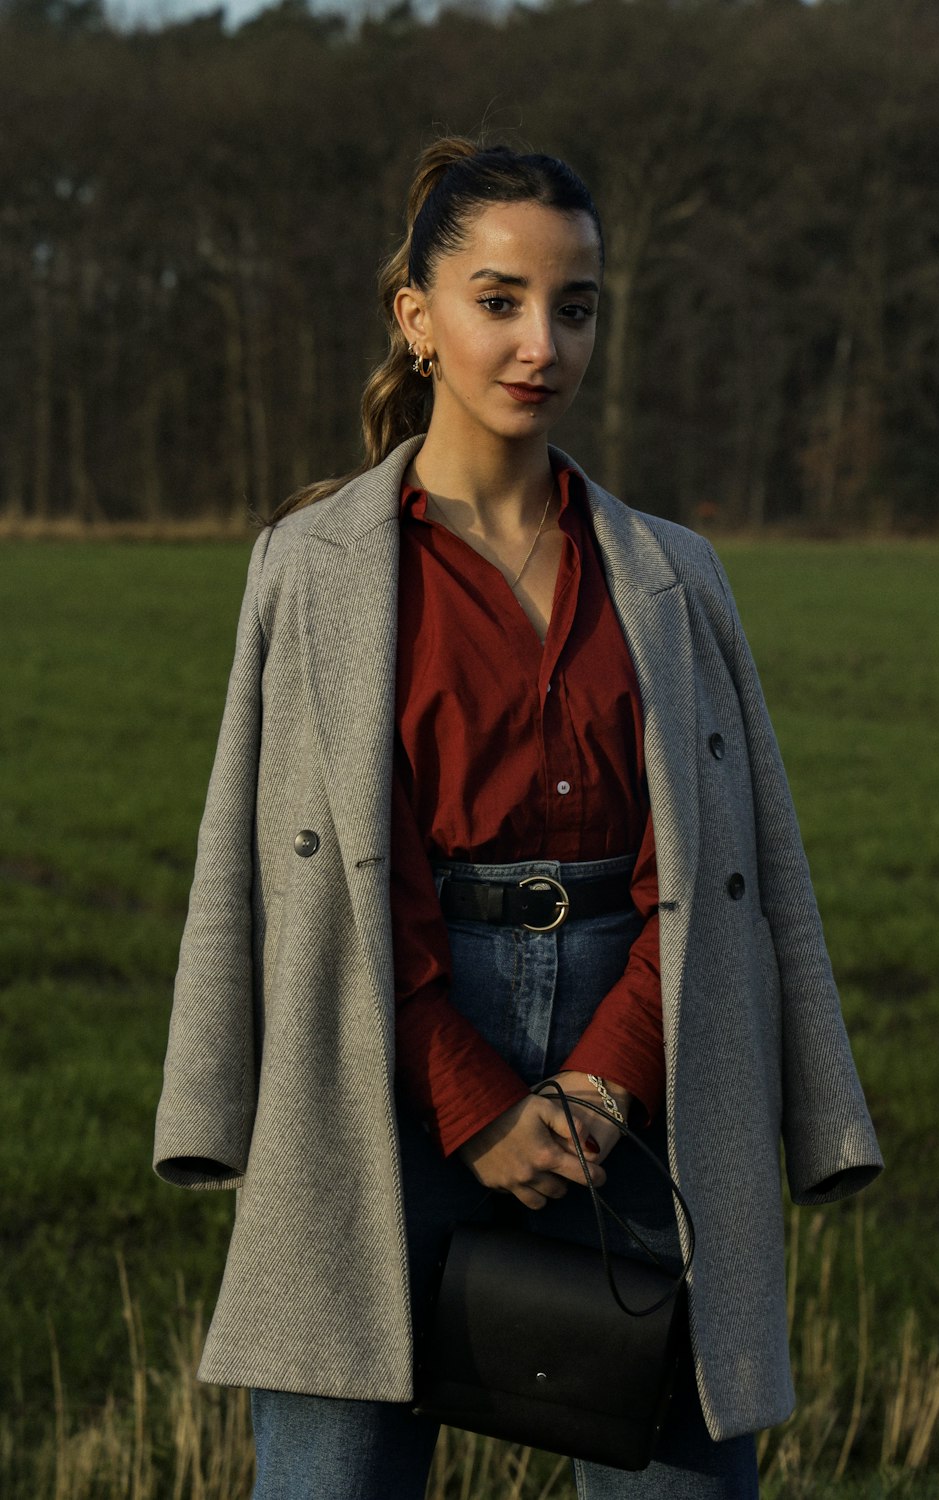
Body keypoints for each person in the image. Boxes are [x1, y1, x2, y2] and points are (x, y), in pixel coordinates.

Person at [153, 137, 883, 1499]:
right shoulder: (308, 568)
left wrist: (606, 1077)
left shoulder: (674, 571)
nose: (542, 341)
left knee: (686, 1475)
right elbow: (290, 878)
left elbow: (722, 861)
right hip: (381, 1048)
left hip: (644, 1050)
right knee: (329, 1476)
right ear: (415, 318)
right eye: (500, 299)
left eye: (577, 305)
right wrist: (469, 1093)